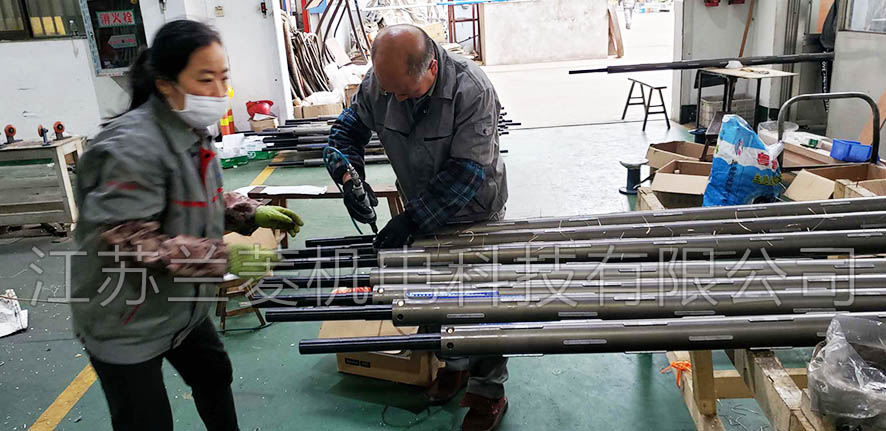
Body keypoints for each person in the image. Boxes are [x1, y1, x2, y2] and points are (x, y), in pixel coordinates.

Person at [70, 20, 303, 431]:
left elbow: (193, 196)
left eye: (223, 77)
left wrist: (247, 212)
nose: (219, 91)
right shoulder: (130, 147)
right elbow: (130, 239)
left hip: (179, 304)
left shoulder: (190, 129)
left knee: (214, 374)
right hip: (125, 316)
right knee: (146, 420)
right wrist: (223, 257)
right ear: (165, 83)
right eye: (205, 79)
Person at [328, 24, 509, 431]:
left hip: (474, 212)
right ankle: (452, 365)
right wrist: (348, 176)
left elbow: (468, 172)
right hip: (420, 204)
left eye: (405, 94)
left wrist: (411, 219)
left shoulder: (471, 89)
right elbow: (345, 132)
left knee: (482, 300)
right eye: (388, 92)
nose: (394, 100)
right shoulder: (381, 83)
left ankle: (487, 390)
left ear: (431, 68)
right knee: (432, 293)